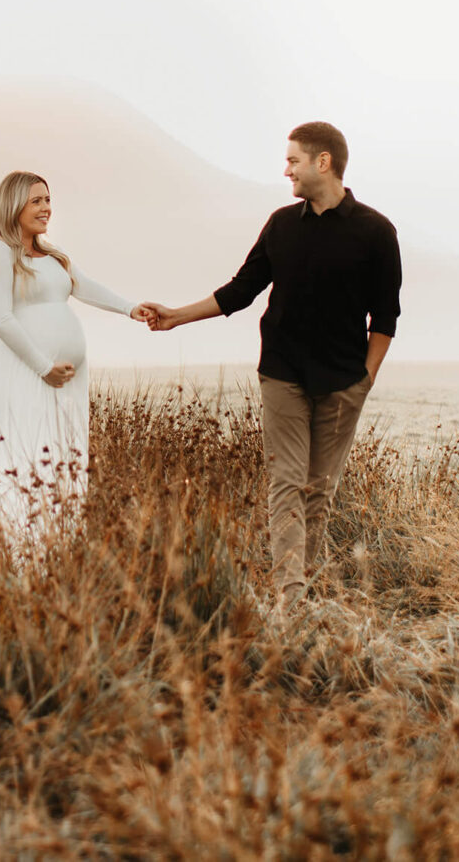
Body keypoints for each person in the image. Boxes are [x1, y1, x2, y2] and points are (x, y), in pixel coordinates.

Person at [142, 122, 401, 607]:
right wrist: (176, 316)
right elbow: (240, 291)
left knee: (318, 491)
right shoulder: (282, 225)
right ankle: (292, 599)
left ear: (322, 162)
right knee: (286, 484)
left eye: (293, 161)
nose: (286, 170)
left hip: (343, 382)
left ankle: (300, 587)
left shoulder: (377, 232)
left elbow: (385, 318)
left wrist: (364, 381)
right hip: (282, 373)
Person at [0, 170, 150, 548]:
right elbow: (0, 318)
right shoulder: (0, 252)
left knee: (60, 455)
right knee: (23, 455)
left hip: (66, 380)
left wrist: (130, 308)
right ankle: (18, 548)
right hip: (26, 374)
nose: (46, 209)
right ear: (13, 205)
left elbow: (85, 287)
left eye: (48, 200)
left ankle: (59, 543)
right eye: (36, 201)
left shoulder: (53, 255)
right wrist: (43, 367)